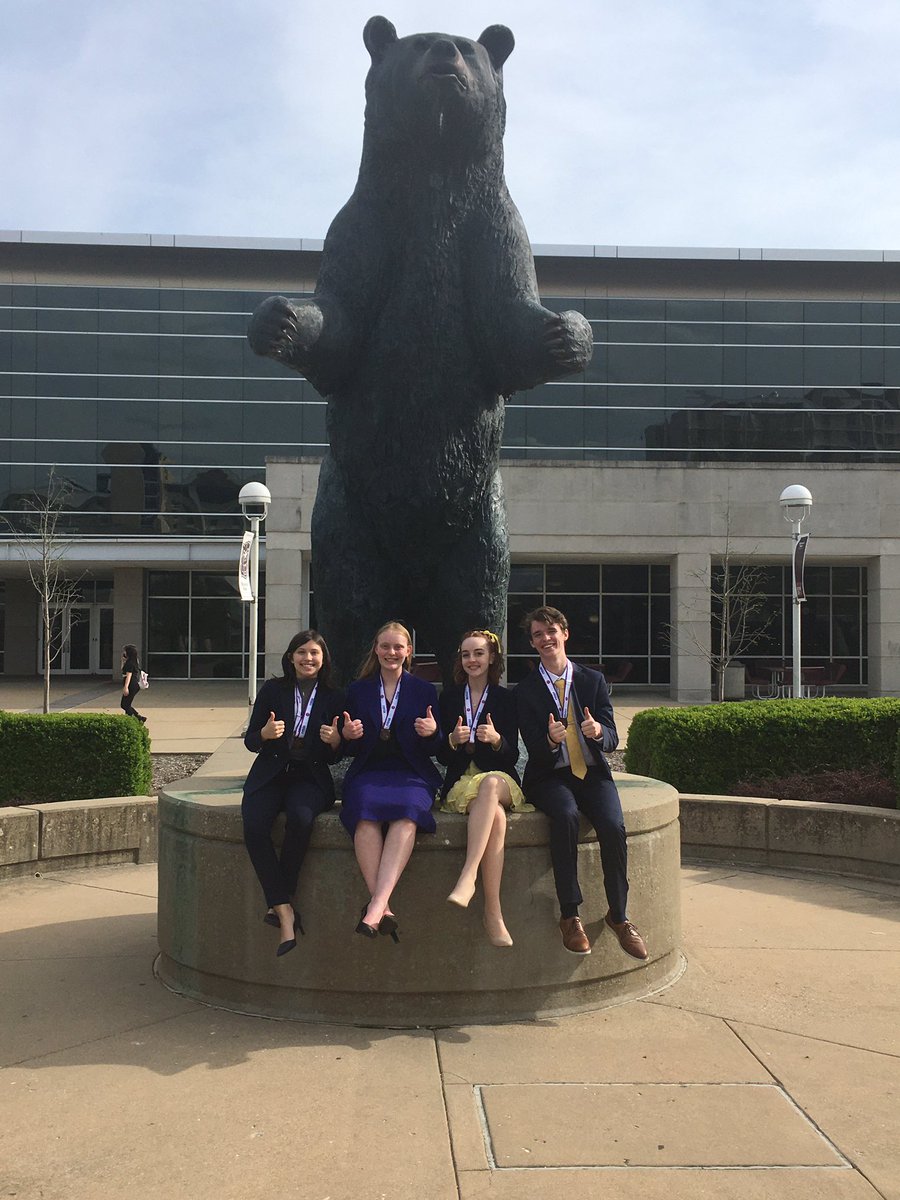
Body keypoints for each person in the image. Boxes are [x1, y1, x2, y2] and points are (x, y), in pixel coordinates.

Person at [514, 606, 648, 960]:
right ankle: (570, 914)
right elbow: (533, 749)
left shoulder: (592, 681)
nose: (546, 638)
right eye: (538, 634)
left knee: (612, 824)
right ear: (532, 643)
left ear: (565, 633)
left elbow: (612, 738)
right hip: (549, 777)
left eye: (551, 631)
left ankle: (619, 916)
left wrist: (598, 731)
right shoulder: (525, 691)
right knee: (567, 816)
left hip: (592, 774)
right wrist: (550, 741)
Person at [242, 630, 344, 957]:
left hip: (309, 777)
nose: (308, 659)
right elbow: (250, 742)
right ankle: (284, 908)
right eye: (301, 652)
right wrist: (265, 733)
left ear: (323, 659)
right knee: (255, 824)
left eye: (314, 653)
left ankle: (280, 903)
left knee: (301, 819)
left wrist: (335, 742)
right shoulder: (274, 690)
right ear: (290, 657)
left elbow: (335, 757)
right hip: (271, 772)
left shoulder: (333, 696)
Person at [340, 621, 442, 941]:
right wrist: (348, 736)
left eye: (398, 647)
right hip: (369, 771)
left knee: (407, 815)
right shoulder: (357, 690)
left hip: (411, 773)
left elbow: (435, 746)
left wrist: (432, 733)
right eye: (385, 646)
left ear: (408, 651)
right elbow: (348, 746)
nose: (391, 652)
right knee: (365, 814)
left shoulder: (424, 690)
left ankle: (375, 907)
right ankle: (381, 909)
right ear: (376, 649)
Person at [437, 629, 531, 947]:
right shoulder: (449, 697)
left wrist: (497, 740)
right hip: (463, 782)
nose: (472, 660)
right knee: (497, 821)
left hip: (500, 779)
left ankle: (468, 874)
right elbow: (440, 753)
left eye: (478, 653)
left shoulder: (506, 698)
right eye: (466, 654)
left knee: (490, 784)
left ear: (491, 658)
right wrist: (451, 740)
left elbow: (513, 754)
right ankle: (493, 914)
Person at [120, 645, 146, 723]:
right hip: (134, 685)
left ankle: (137, 718)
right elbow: (122, 670)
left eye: (125, 651)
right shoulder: (133, 661)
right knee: (127, 704)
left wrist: (126, 687)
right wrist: (123, 661)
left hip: (131, 685)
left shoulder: (130, 663)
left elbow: (129, 675)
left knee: (125, 705)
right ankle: (135, 718)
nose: (123, 653)